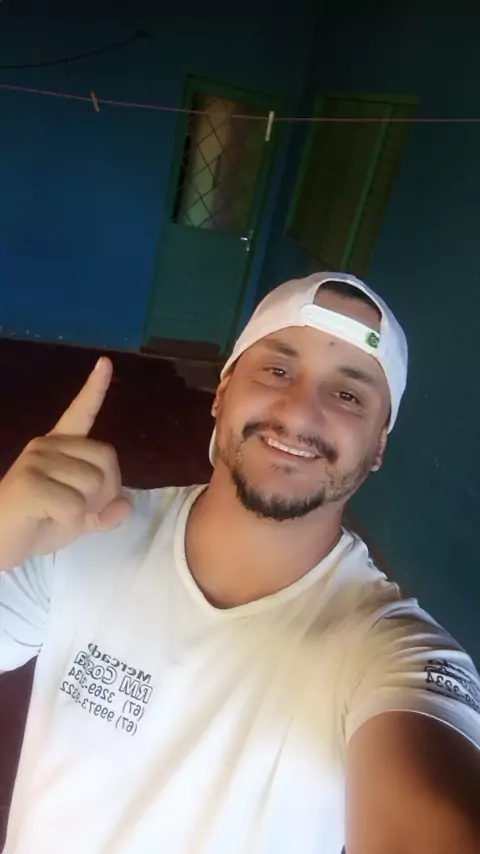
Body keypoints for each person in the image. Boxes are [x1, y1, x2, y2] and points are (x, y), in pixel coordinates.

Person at [0, 271, 479, 854]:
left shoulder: (392, 652)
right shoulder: (81, 533)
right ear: (222, 391)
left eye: (348, 395)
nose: (299, 414)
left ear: (378, 444)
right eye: (277, 370)